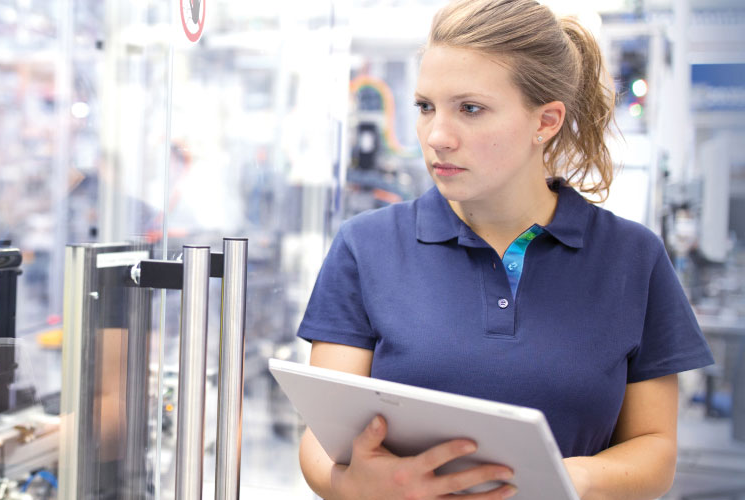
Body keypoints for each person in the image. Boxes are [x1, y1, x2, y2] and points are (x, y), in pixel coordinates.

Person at [296, 0, 714, 498]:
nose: (437, 136)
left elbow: (654, 449)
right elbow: (322, 440)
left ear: (546, 121)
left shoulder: (632, 258)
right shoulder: (366, 247)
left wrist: (558, 480)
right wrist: (354, 485)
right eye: (426, 107)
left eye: (470, 109)